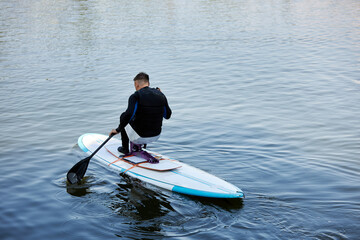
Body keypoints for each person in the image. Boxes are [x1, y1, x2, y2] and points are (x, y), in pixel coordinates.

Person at [109, 72, 172, 154]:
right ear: (148, 83)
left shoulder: (135, 96)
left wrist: (118, 130)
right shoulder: (161, 95)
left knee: (124, 116)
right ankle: (139, 145)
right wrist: (161, 95)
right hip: (156, 135)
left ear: (136, 84)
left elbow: (128, 115)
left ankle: (125, 148)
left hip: (140, 136)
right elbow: (167, 115)